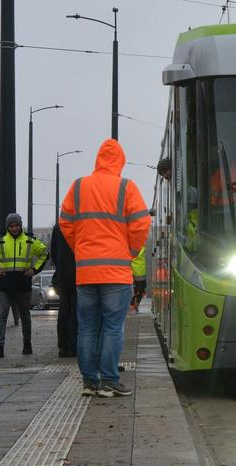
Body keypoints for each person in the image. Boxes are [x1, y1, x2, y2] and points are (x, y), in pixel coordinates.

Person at [59, 138, 151, 397]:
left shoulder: (78, 187)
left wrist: (82, 248)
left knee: (86, 327)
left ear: (97, 160)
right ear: (120, 161)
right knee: (112, 327)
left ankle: (90, 381)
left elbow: (65, 222)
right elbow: (142, 223)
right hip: (116, 271)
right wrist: (130, 252)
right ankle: (110, 380)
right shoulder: (126, 187)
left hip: (86, 271)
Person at [0, 213, 49, 357]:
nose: (14, 228)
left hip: (23, 284)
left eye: (16, 225)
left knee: (25, 315)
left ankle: (27, 344)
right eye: (11, 226)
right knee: (1, 316)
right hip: (4, 285)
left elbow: (45, 254)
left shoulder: (30, 241)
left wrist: (35, 270)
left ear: (20, 225)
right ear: (7, 227)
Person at [50, 223, 77, 358]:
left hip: (62, 275)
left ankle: (63, 347)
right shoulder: (81, 223)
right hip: (79, 274)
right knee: (75, 312)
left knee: (63, 312)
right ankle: (73, 346)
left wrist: (61, 266)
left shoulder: (58, 226)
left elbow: (53, 253)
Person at [130, 247, 146, 314]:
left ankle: (134, 306)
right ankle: (132, 306)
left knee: (139, 289)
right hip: (138, 269)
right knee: (137, 289)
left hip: (139, 269)